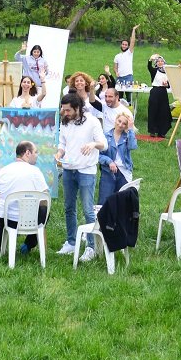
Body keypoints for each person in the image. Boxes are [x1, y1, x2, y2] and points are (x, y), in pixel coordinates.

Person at [54, 93, 107, 262]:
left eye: (68, 110)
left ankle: (91, 247)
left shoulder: (92, 122)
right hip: (69, 169)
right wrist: (59, 152)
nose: (65, 112)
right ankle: (71, 242)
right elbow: (62, 142)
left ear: (77, 108)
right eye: (63, 109)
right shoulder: (65, 121)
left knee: (87, 209)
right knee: (69, 208)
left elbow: (104, 144)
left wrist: (93, 144)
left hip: (86, 171)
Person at [0, 141, 49, 255]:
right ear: (27, 153)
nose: (37, 155)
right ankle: (28, 244)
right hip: (29, 221)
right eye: (36, 152)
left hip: (7, 220)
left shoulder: (4, 170)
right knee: (44, 210)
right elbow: (45, 200)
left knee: (2, 207)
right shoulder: (35, 172)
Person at [98, 112, 137, 204]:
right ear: (115, 120)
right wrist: (109, 161)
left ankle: (119, 218)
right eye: (119, 121)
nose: (120, 125)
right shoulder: (105, 136)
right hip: (108, 171)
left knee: (122, 202)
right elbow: (98, 155)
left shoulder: (127, 136)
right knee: (104, 201)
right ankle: (100, 218)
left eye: (124, 124)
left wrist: (130, 130)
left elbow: (132, 146)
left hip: (124, 171)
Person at [146, 55, 171, 138]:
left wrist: (167, 85)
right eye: (158, 61)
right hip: (155, 92)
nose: (160, 63)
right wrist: (150, 60)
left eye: (161, 61)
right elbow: (149, 67)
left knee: (164, 112)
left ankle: (162, 131)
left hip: (163, 93)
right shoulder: (154, 71)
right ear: (156, 63)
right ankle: (152, 131)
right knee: (153, 111)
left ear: (164, 62)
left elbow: (169, 85)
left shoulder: (168, 72)